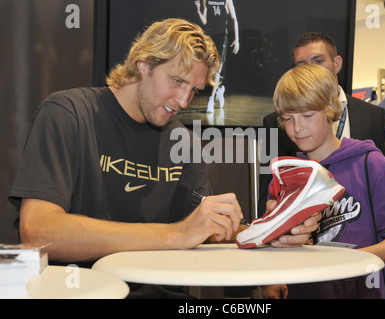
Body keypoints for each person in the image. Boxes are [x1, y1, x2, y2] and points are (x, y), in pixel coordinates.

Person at [8, 18, 246, 298]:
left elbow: (201, 231)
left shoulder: (184, 143)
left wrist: (269, 233)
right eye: (177, 81)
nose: (183, 101)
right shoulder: (68, 114)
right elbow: (39, 232)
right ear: (143, 65)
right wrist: (174, 235)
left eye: (193, 90)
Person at [258, 32, 385, 298]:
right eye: (287, 119)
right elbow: (281, 248)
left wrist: (352, 261)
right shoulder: (284, 175)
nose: (297, 128)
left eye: (308, 116)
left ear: (331, 110)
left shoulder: (371, 163)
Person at [194, 0, 239, 112]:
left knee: (218, 68)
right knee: (210, 69)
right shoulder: (206, 1)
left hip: (222, 37)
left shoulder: (227, 1)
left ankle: (211, 99)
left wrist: (237, 40)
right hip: (210, 37)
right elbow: (205, 22)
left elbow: (234, 19)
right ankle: (219, 90)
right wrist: (198, 10)